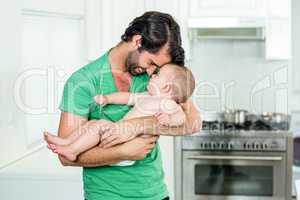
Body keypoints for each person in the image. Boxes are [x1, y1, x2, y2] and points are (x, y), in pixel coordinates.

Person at [54, 11, 201, 200]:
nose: (151, 72)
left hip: (155, 194)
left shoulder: (159, 82)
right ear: (138, 41)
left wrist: (136, 126)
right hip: (105, 196)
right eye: (151, 63)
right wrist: (123, 152)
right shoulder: (83, 81)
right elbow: (66, 157)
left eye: (156, 69)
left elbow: (193, 123)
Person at [45, 64, 195, 167]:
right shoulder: (146, 96)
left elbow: (181, 118)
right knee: (92, 124)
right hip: (120, 136)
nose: (152, 75)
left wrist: (168, 119)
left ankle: (72, 150)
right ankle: (67, 143)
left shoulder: (167, 104)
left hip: (129, 142)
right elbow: (127, 97)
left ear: (166, 87)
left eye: (157, 75)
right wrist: (108, 98)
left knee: (98, 125)